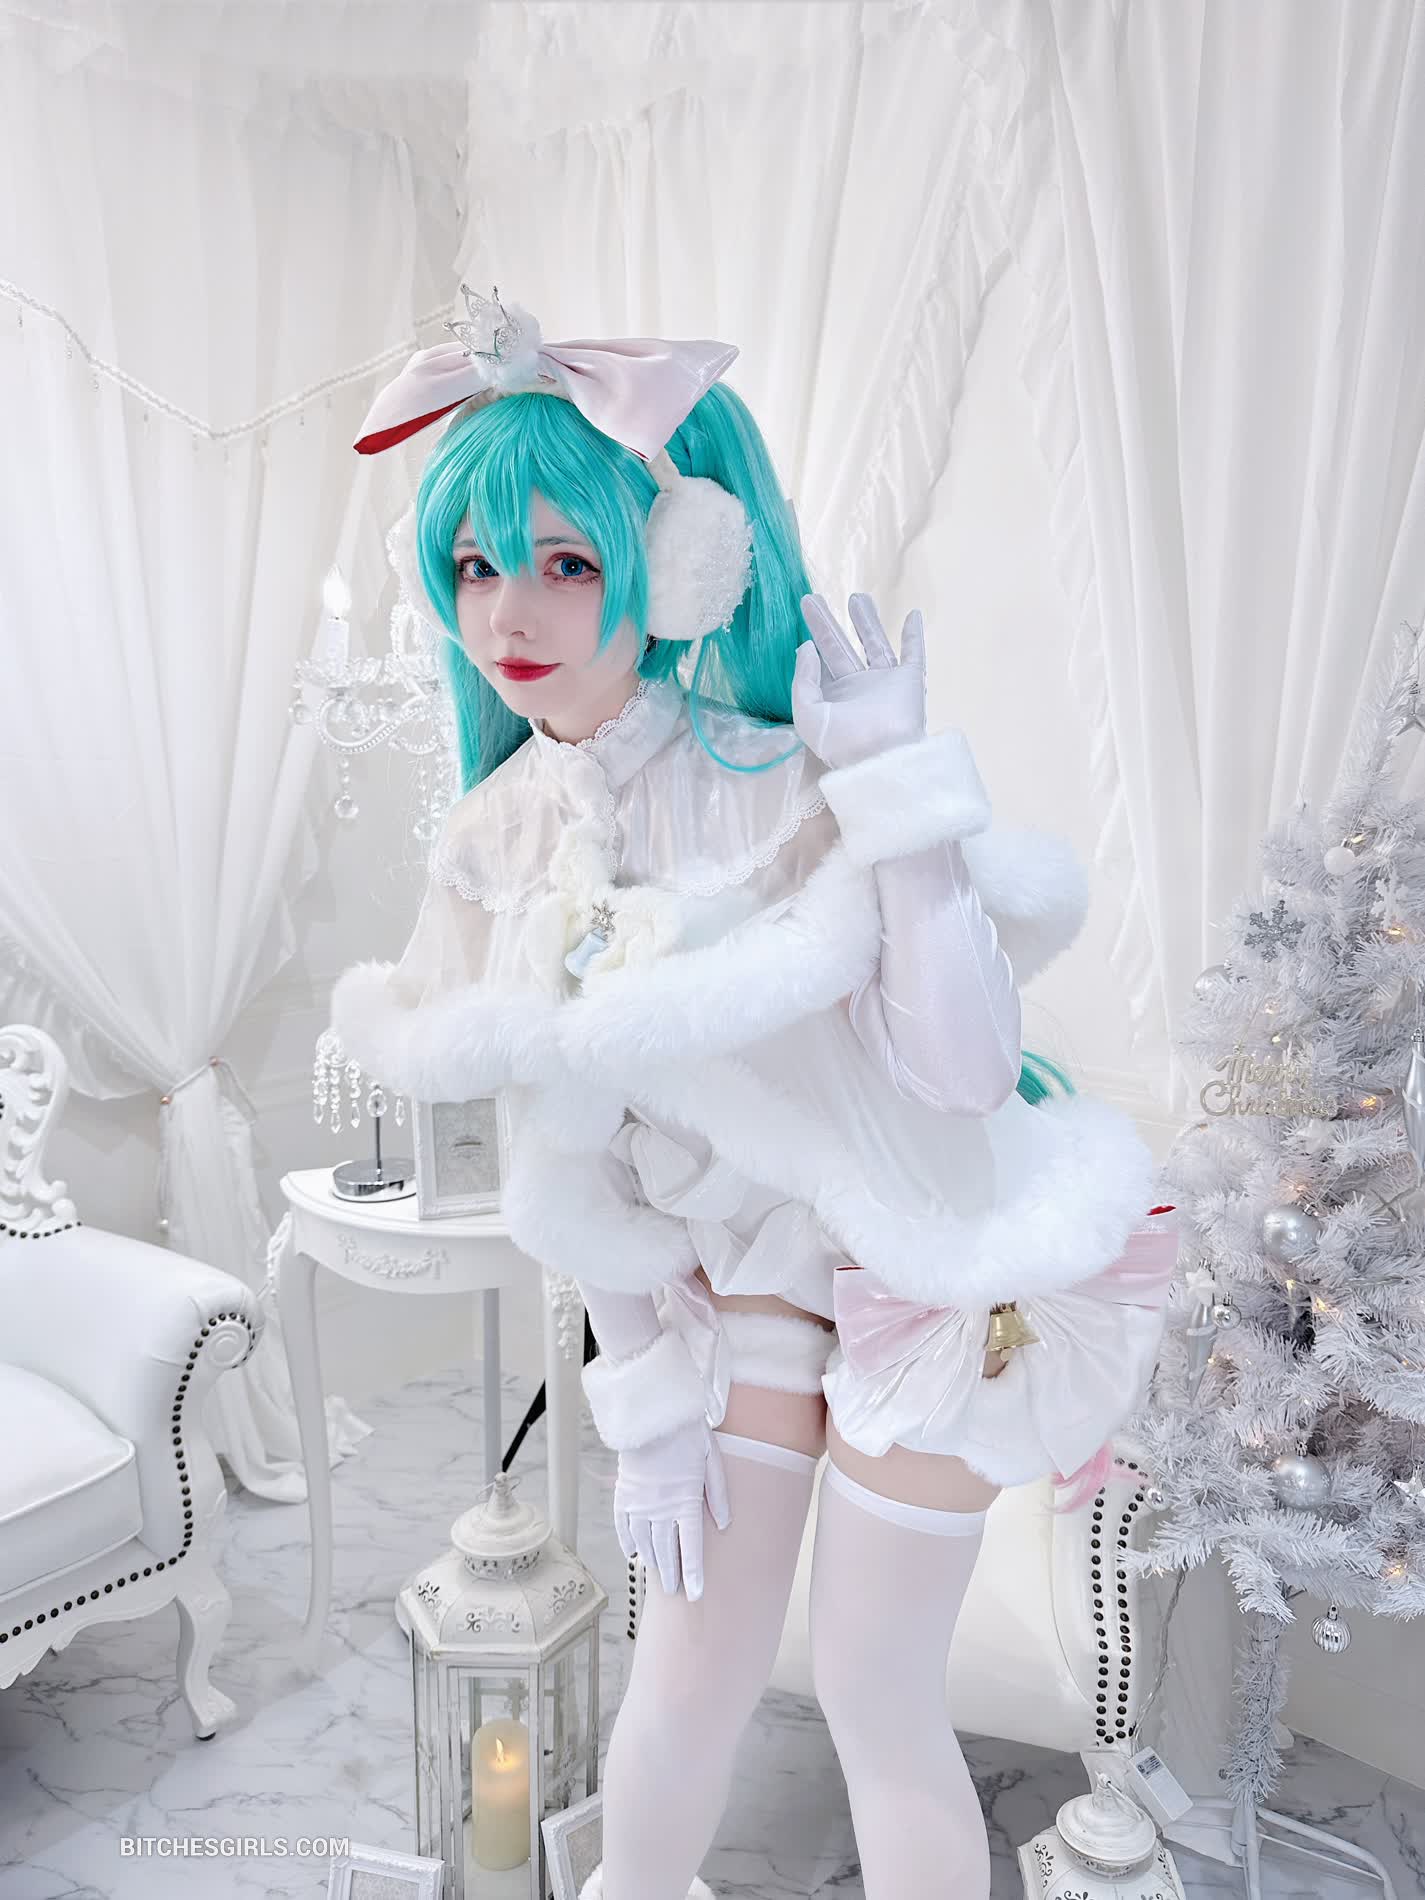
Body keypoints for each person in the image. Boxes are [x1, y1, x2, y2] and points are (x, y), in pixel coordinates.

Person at [332, 286, 1176, 1900]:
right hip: (741, 1292)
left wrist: (892, 790)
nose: (510, 611)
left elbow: (959, 1072)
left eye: (567, 561)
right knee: (688, 1673)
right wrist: (644, 1399)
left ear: (680, 559)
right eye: (476, 567)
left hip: (932, 1262)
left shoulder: (776, 775)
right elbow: (559, 1156)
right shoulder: (491, 841)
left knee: (872, 1692)